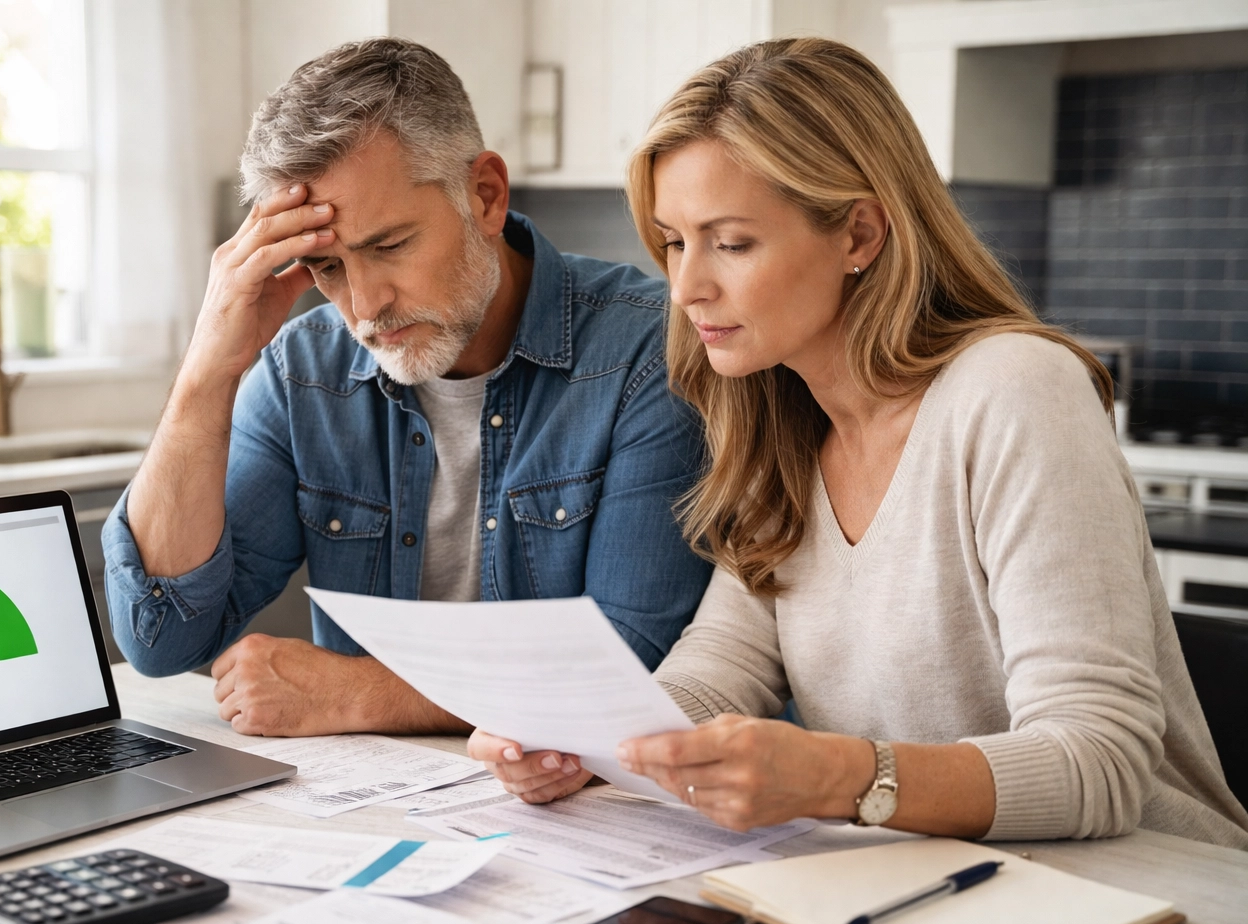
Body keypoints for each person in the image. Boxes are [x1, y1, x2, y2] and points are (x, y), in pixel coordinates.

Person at [470, 37, 1248, 849]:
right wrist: (589, 743)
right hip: (941, 888)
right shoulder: (783, 425)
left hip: (1158, 898)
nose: (687, 286)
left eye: (731, 242)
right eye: (674, 241)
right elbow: (719, 669)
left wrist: (841, 777)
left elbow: (1100, 762)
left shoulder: (1015, 391)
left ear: (859, 236)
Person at [102, 39, 712, 737]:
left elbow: (632, 659)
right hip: (379, 806)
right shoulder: (303, 372)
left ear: (484, 194)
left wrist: (358, 694)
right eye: (326, 267)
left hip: (581, 803)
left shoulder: (647, 350)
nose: (364, 306)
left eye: (389, 246)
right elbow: (161, 638)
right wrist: (206, 373)